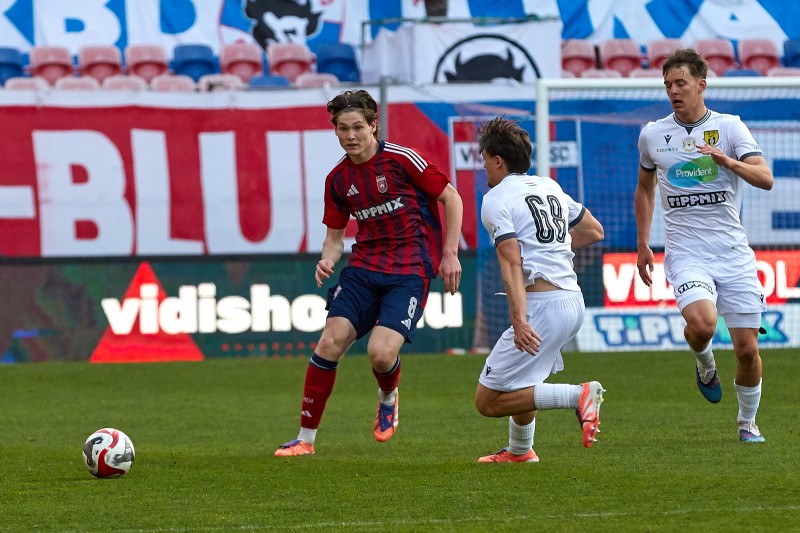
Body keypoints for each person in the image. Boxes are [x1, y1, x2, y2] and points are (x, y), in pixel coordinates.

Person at [275, 89, 463, 457]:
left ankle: (388, 396)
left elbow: (451, 198)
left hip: (409, 270)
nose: (351, 135)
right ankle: (305, 440)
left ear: (374, 125)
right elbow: (334, 239)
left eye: (358, 127)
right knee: (329, 342)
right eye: (343, 128)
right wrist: (327, 260)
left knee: (379, 353)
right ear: (335, 131)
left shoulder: (402, 160)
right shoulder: (337, 179)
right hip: (363, 268)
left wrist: (450, 253)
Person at [635, 48, 774, 443]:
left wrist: (728, 162)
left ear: (701, 85)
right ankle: (704, 362)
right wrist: (643, 243)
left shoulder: (729, 128)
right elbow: (644, 188)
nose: (673, 91)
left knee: (747, 349)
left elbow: (765, 178)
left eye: (680, 83)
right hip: (687, 253)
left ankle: (747, 423)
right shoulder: (653, 135)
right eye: (667, 85)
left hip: (733, 254)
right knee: (701, 325)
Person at [474, 117, 606, 463]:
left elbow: (511, 263)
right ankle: (520, 451)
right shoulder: (549, 186)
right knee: (524, 381)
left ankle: (578, 395)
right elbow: (594, 231)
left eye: (484, 158)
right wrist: (552, 249)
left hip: (542, 307)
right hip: (571, 300)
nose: (483, 165)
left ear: (498, 160)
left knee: (487, 401)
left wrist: (519, 320)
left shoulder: (495, 199)